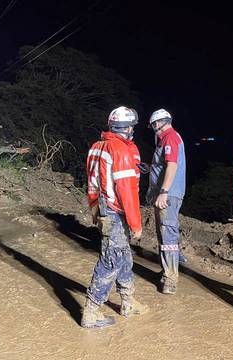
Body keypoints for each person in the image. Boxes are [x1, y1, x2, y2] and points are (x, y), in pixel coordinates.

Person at [82, 106, 149, 329]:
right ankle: (91, 311)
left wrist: (93, 210)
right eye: (132, 127)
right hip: (115, 212)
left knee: (123, 257)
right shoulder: (119, 149)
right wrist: (136, 223)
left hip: (102, 209)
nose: (133, 131)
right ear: (127, 128)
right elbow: (127, 190)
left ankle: (128, 301)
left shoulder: (96, 147)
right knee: (112, 258)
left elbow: (92, 183)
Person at [146, 108, 186, 295]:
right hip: (163, 194)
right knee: (163, 234)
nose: (154, 128)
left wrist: (163, 191)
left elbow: (172, 165)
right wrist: (150, 168)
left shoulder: (170, 137)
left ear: (159, 123)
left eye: (154, 125)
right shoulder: (164, 140)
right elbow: (164, 165)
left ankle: (171, 279)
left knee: (168, 234)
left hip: (167, 195)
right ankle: (166, 272)